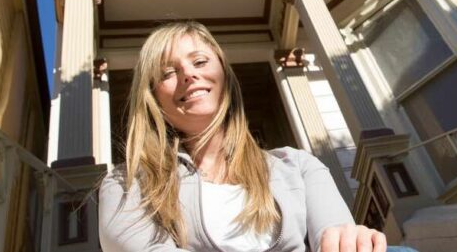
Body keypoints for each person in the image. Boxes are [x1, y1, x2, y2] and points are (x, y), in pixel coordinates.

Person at [98, 21, 388, 252]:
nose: (188, 74)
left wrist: (352, 241)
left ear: (224, 74)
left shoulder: (298, 166)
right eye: (168, 72)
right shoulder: (127, 185)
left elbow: (334, 232)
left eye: (199, 62)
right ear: (154, 100)